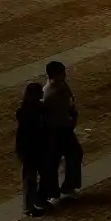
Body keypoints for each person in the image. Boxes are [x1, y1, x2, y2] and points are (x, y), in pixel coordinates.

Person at [42, 60, 82, 201]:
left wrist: (73, 114)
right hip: (54, 132)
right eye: (62, 73)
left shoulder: (63, 86)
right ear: (54, 75)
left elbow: (70, 101)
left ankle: (68, 187)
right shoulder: (47, 95)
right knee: (52, 162)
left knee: (75, 154)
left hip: (65, 128)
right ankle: (51, 192)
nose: (65, 75)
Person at [16, 82, 51, 216]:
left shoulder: (32, 109)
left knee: (40, 176)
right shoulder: (30, 112)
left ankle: (37, 201)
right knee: (31, 178)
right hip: (31, 150)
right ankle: (30, 206)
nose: (42, 94)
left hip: (34, 148)